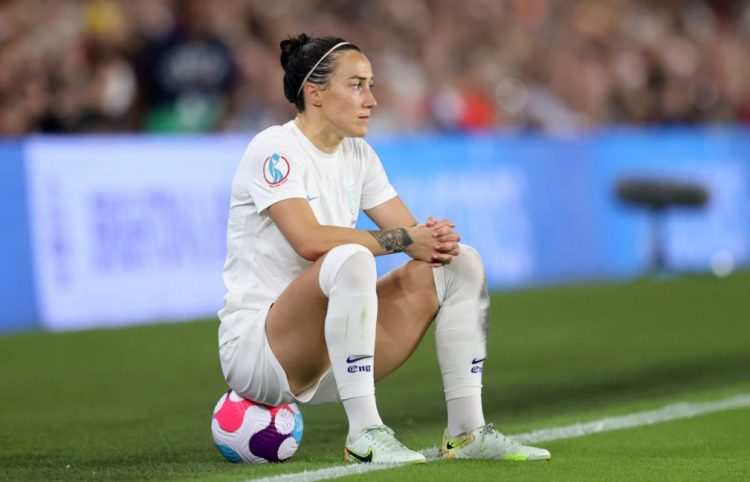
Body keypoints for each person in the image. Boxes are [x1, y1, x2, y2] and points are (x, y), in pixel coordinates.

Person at [217, 33, 551, 464]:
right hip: (261, 353)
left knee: (459, 262)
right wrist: (407, 240)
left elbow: (415, 240)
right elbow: (310, 240)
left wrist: (435, 241)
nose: (372, 99)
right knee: (348, 256)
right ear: (315, 94)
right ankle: (364, 434)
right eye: (356, 85)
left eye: (370, 84)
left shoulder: (358, 154)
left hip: (333, 354)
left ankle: (467, 433)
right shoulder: (274, 149)